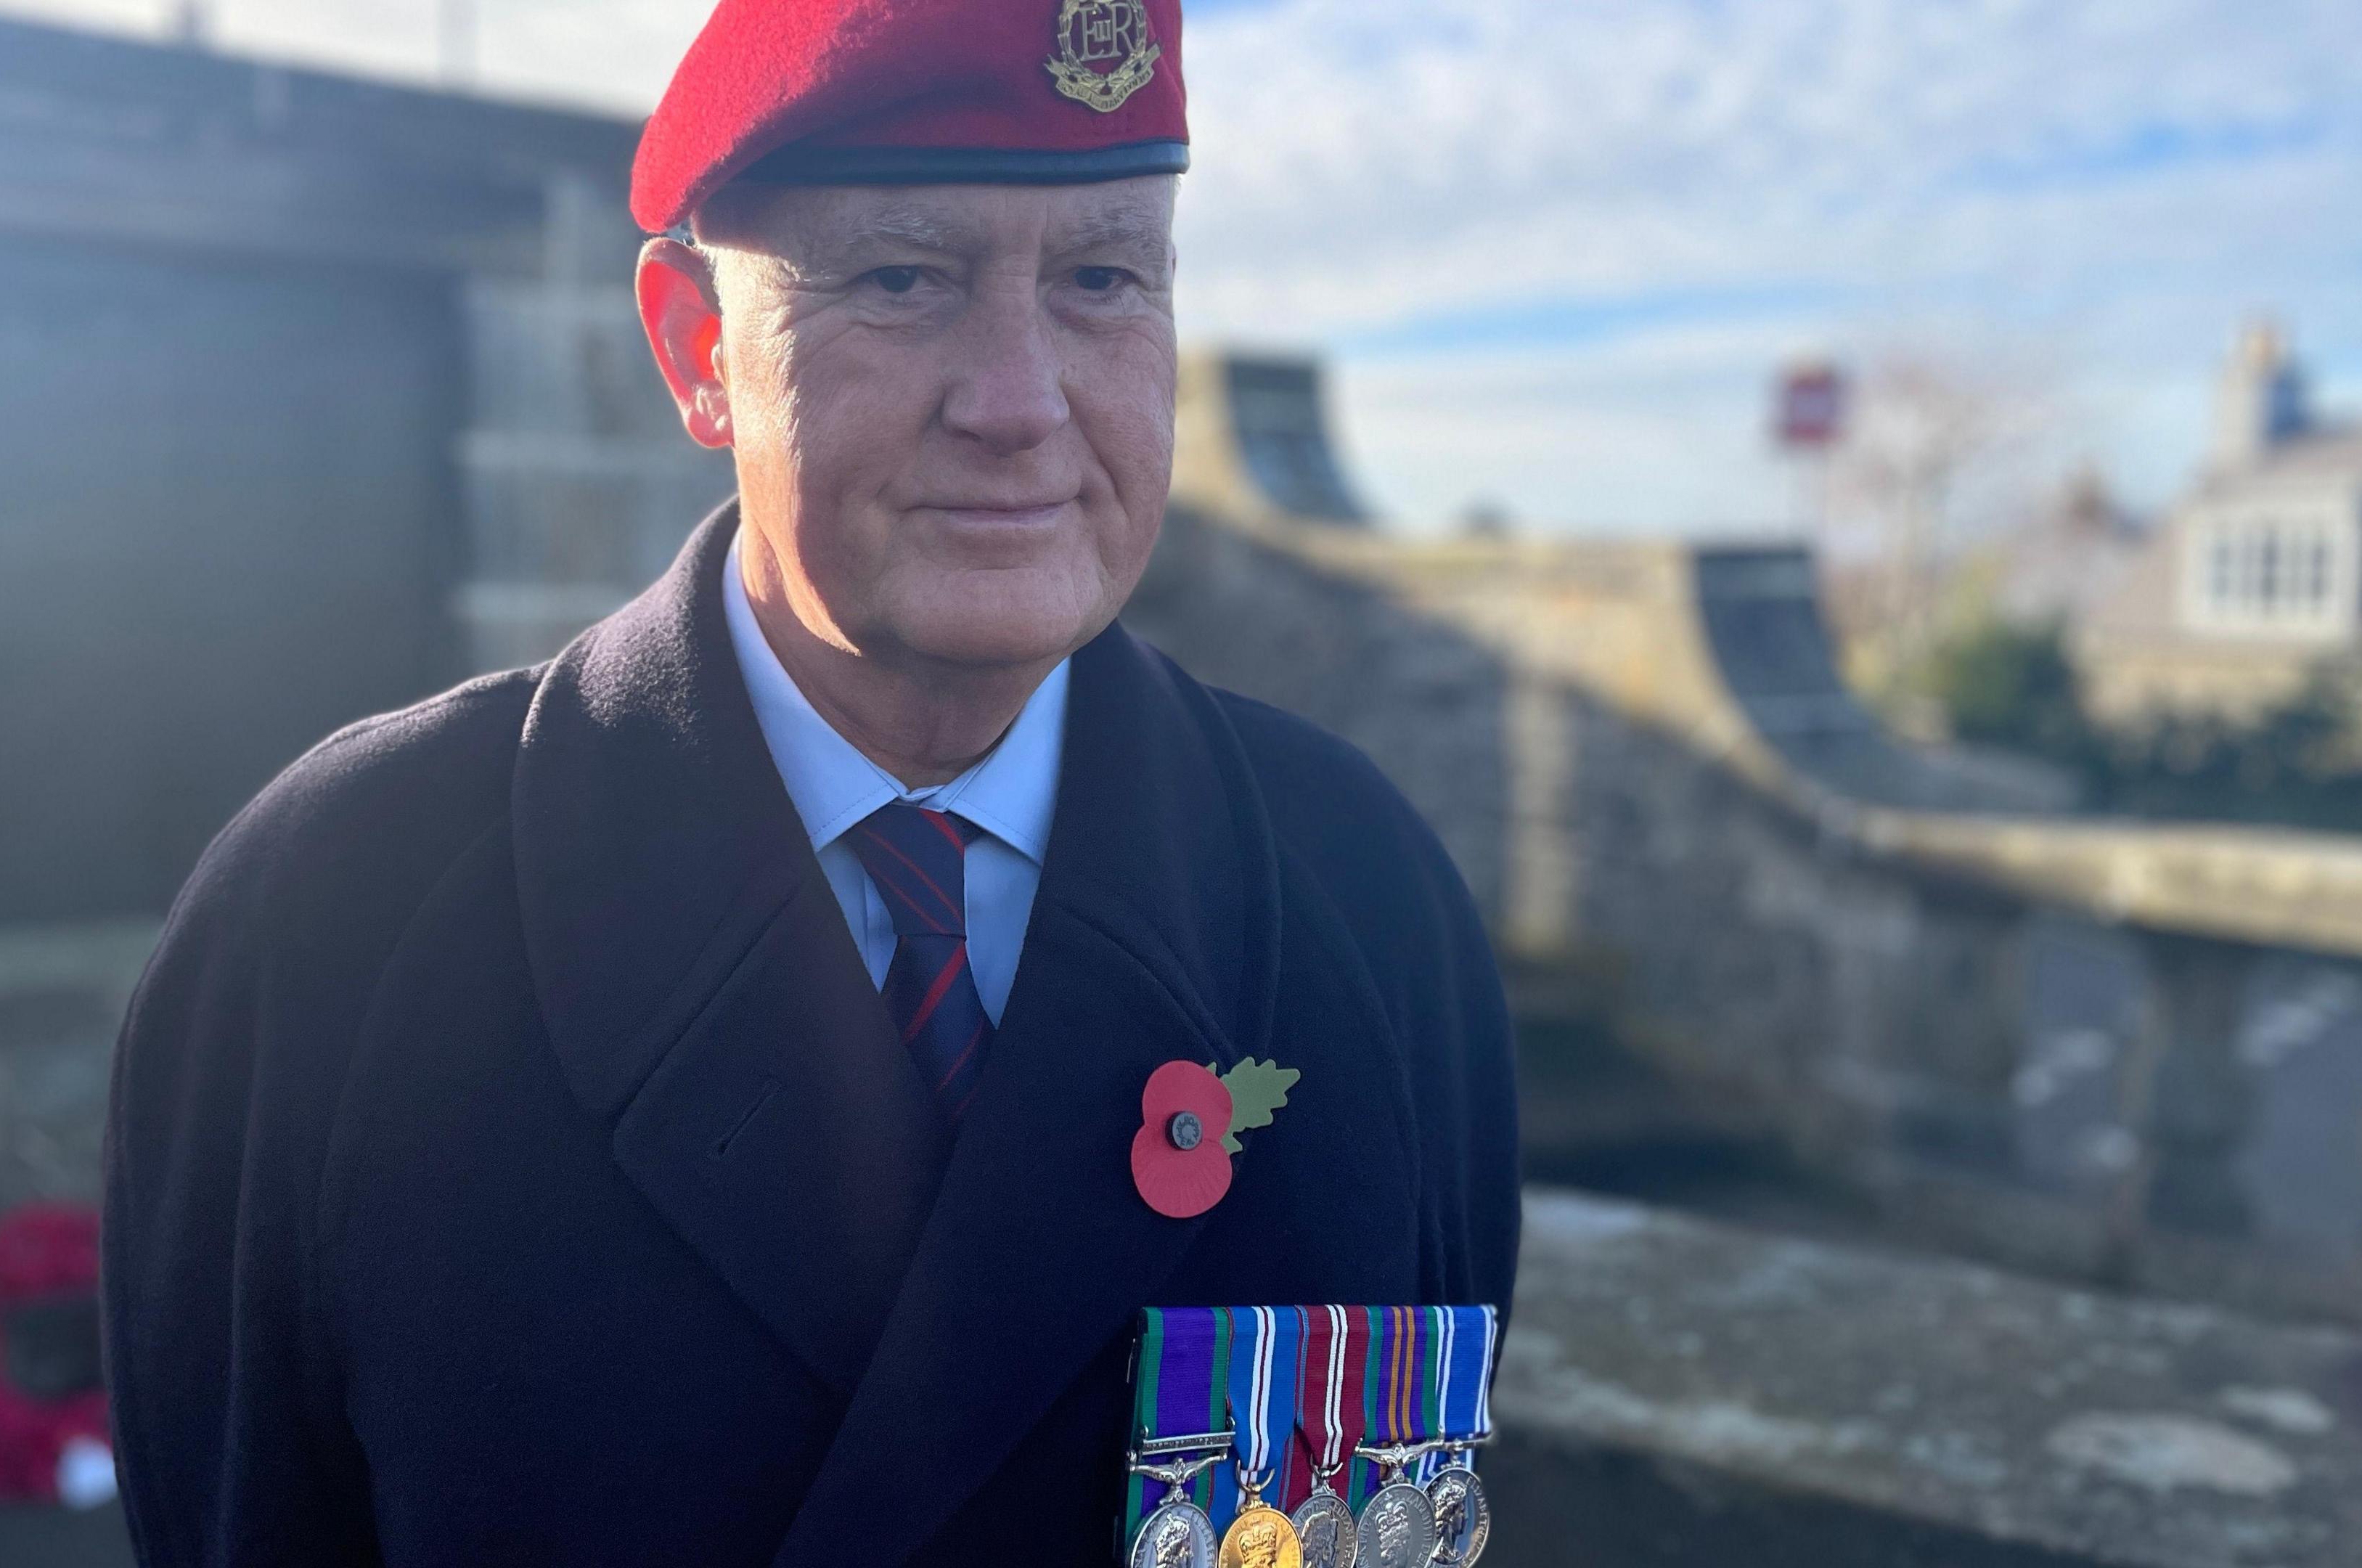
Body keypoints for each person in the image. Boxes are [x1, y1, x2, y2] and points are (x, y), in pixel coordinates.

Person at [100, 0, 1519, 1561]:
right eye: (903, 281)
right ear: (700, 352)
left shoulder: (1363, 897)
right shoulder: (332, 923)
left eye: (1102, 280)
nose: (1020, 400)